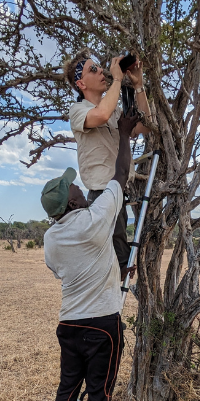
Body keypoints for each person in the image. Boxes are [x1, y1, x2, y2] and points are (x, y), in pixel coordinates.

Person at [41, 105, 140, 401]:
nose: (81, 187)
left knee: (68, 384)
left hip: (69, 324)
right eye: (75, 188)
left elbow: (64, 271)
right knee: (100, 388)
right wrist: (125, 133)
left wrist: (112, 268)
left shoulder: (51, 238)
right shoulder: (95, 218)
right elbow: (121, 175)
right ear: (73, 202)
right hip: (102, 326)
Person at [62, 52, 151, 280]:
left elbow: (144, 126)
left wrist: (139, 86)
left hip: (119, 190)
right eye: (93, 69)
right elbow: (100, 115)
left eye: (99, 67)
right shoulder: (78, 110)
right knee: (113, 265)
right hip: (102, 194)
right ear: (81, 84)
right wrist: (118, 79)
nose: (101, 71)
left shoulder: (114, 111)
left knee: (120, 262)